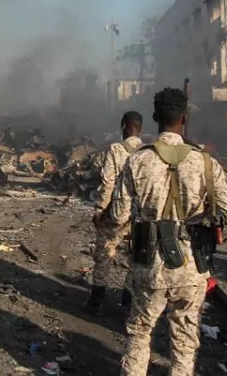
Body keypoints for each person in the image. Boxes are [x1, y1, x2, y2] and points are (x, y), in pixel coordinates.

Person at [110, 88, 227, 376]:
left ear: (155, 117)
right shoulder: (204, 161)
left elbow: (118, 214)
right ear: (184, 118)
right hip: (192, 265)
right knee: (184, 339)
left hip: (148, 264)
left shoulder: (137, 160)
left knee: (139, 332)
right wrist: (209, 212)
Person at [86, 110, 143, 316]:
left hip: (116, 214)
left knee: (104, 256)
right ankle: (127, 304)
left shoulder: (115, 149)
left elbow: (108, 182)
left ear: (123, 127)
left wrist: (100, 209)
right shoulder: (147, 151)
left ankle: (95, 303)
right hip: (140, 216)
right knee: (135, 260)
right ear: (140, 128)